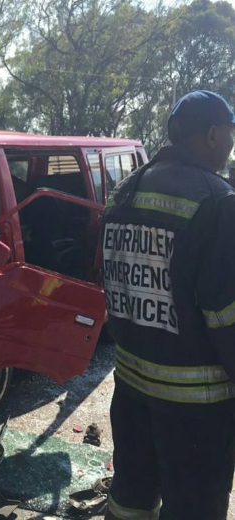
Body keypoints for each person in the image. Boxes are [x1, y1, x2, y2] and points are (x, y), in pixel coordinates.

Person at [102, 90, 235, 520]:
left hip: (131, 392)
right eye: (231, 134)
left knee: (130, 500)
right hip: (196, 410)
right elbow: (226, 315)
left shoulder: (124, 192)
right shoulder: (217, 202)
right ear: (213, 134)